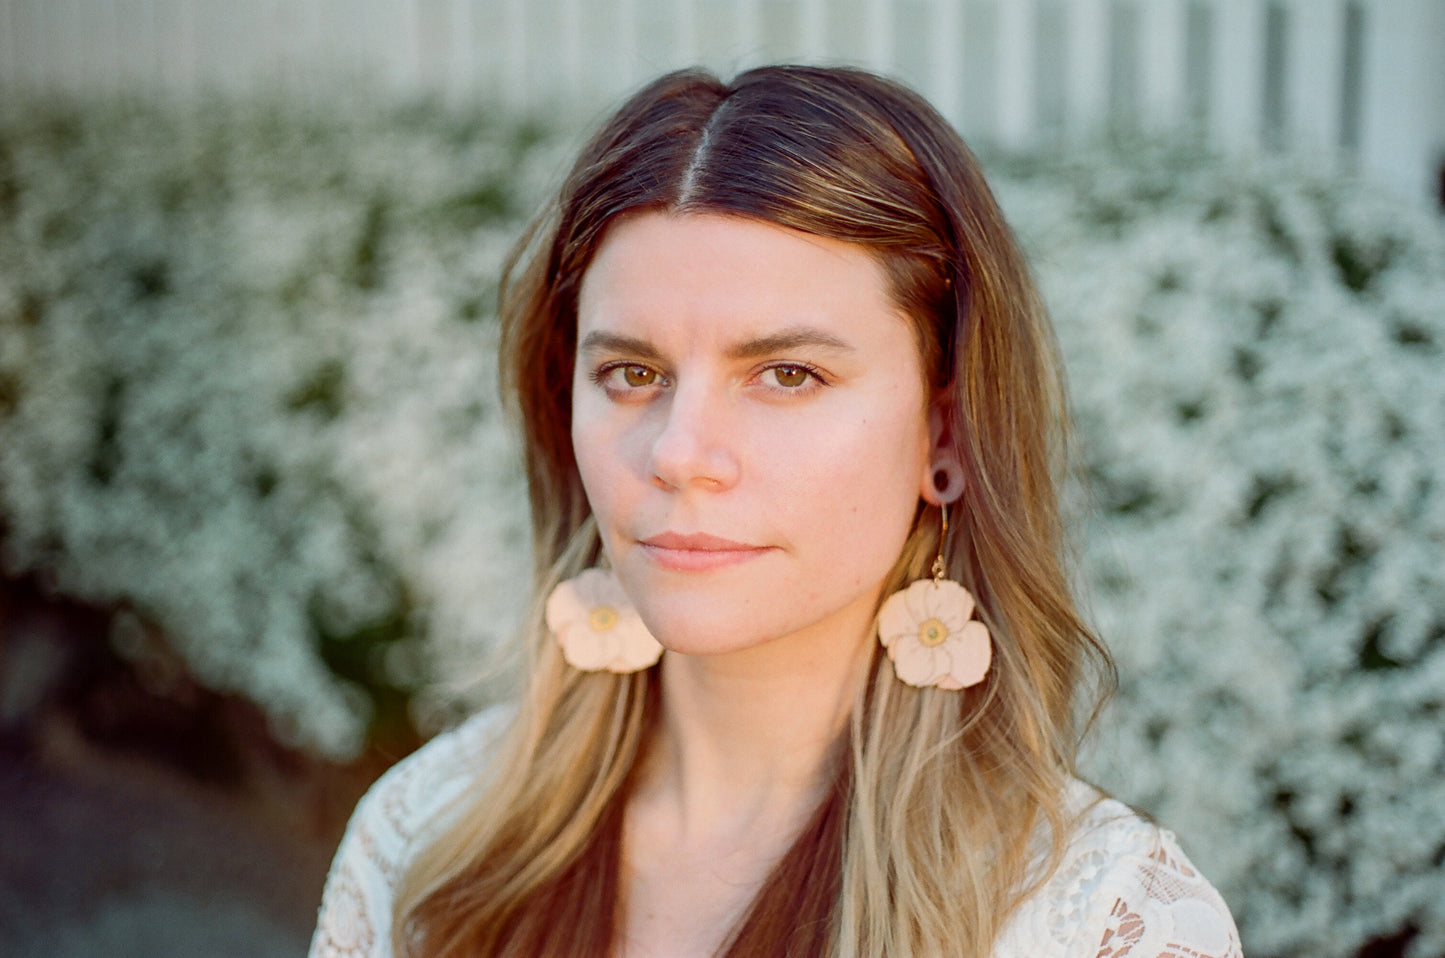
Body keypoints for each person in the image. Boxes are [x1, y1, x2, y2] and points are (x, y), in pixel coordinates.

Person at [309, 65, 1242, 958]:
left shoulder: (1101, 921)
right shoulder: (429, 837)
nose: (677, 453)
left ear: (943, 436)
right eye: (631, 374)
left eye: (787, 374)